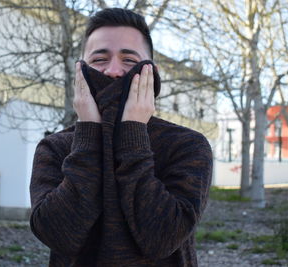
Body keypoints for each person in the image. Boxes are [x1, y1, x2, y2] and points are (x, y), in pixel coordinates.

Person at [29, 8, 213, 267]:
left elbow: (161, 239)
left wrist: (133, 134)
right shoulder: (55, 148)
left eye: (128, 60)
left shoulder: (187, 145)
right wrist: (89, 135)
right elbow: (59, 235)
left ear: (151, 72)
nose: (113, 71)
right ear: (80, 71)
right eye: (100, 59)